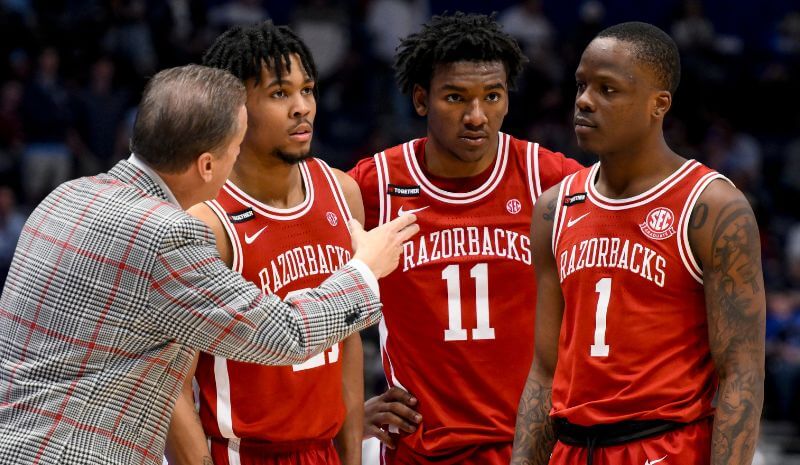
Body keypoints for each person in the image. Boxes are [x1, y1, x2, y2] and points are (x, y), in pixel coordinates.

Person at [0, 64, 419, 465]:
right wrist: (364, 269)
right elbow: (283, 335)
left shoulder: (66, 197)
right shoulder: (166, 235)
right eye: (234, 151)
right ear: (206, 165)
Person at [511, 22, 765, 465]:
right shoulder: (554, 207)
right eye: (582, 85)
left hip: (662, 448)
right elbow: (545, 371)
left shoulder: (713, 207)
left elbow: (741, 374)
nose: (585, 101)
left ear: (658, 105)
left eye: (608, 89)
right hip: (571, 450)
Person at [348, 12, 582, 465]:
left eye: (492, 96)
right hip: (419, 449)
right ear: (421, 100)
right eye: (456, 98)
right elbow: (311, 294)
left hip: (532, 447)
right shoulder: (374, 184)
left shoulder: (548, 179)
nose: (477, 116)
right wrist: (345, 411)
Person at [166, 22, 365, 465]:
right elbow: (173, 388)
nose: (302, 108)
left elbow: (349, 342)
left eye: (307, 90)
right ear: (234, 109)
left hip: (322, 451)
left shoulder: (342, 193)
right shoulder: (205, 220)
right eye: (279, 94)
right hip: (241, 453)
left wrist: (352, 458)